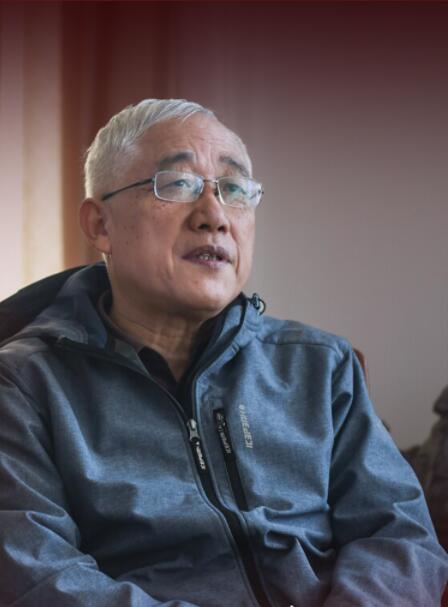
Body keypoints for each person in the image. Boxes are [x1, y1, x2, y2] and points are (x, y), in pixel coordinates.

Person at [0, 98, 446, 607]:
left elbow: (400, 537)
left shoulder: (320, 366)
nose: (214, 216)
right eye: (177, 184)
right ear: (100, 224)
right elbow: (37, 576)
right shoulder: (24, 384)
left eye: (234, 190)